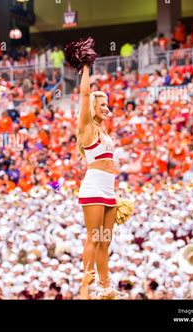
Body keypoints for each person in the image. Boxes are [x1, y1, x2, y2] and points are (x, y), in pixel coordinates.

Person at [75, 63, 125, 299]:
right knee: (94, 238)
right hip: (94, 187)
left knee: (105, 241)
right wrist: (86, 67)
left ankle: (105, 285)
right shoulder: (87, 128)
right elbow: (84, 94)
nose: (107, 108)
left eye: (107, 104)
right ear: (92, 107)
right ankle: (88, 284)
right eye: (102, 104)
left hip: (109, 190)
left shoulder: (105, 133)